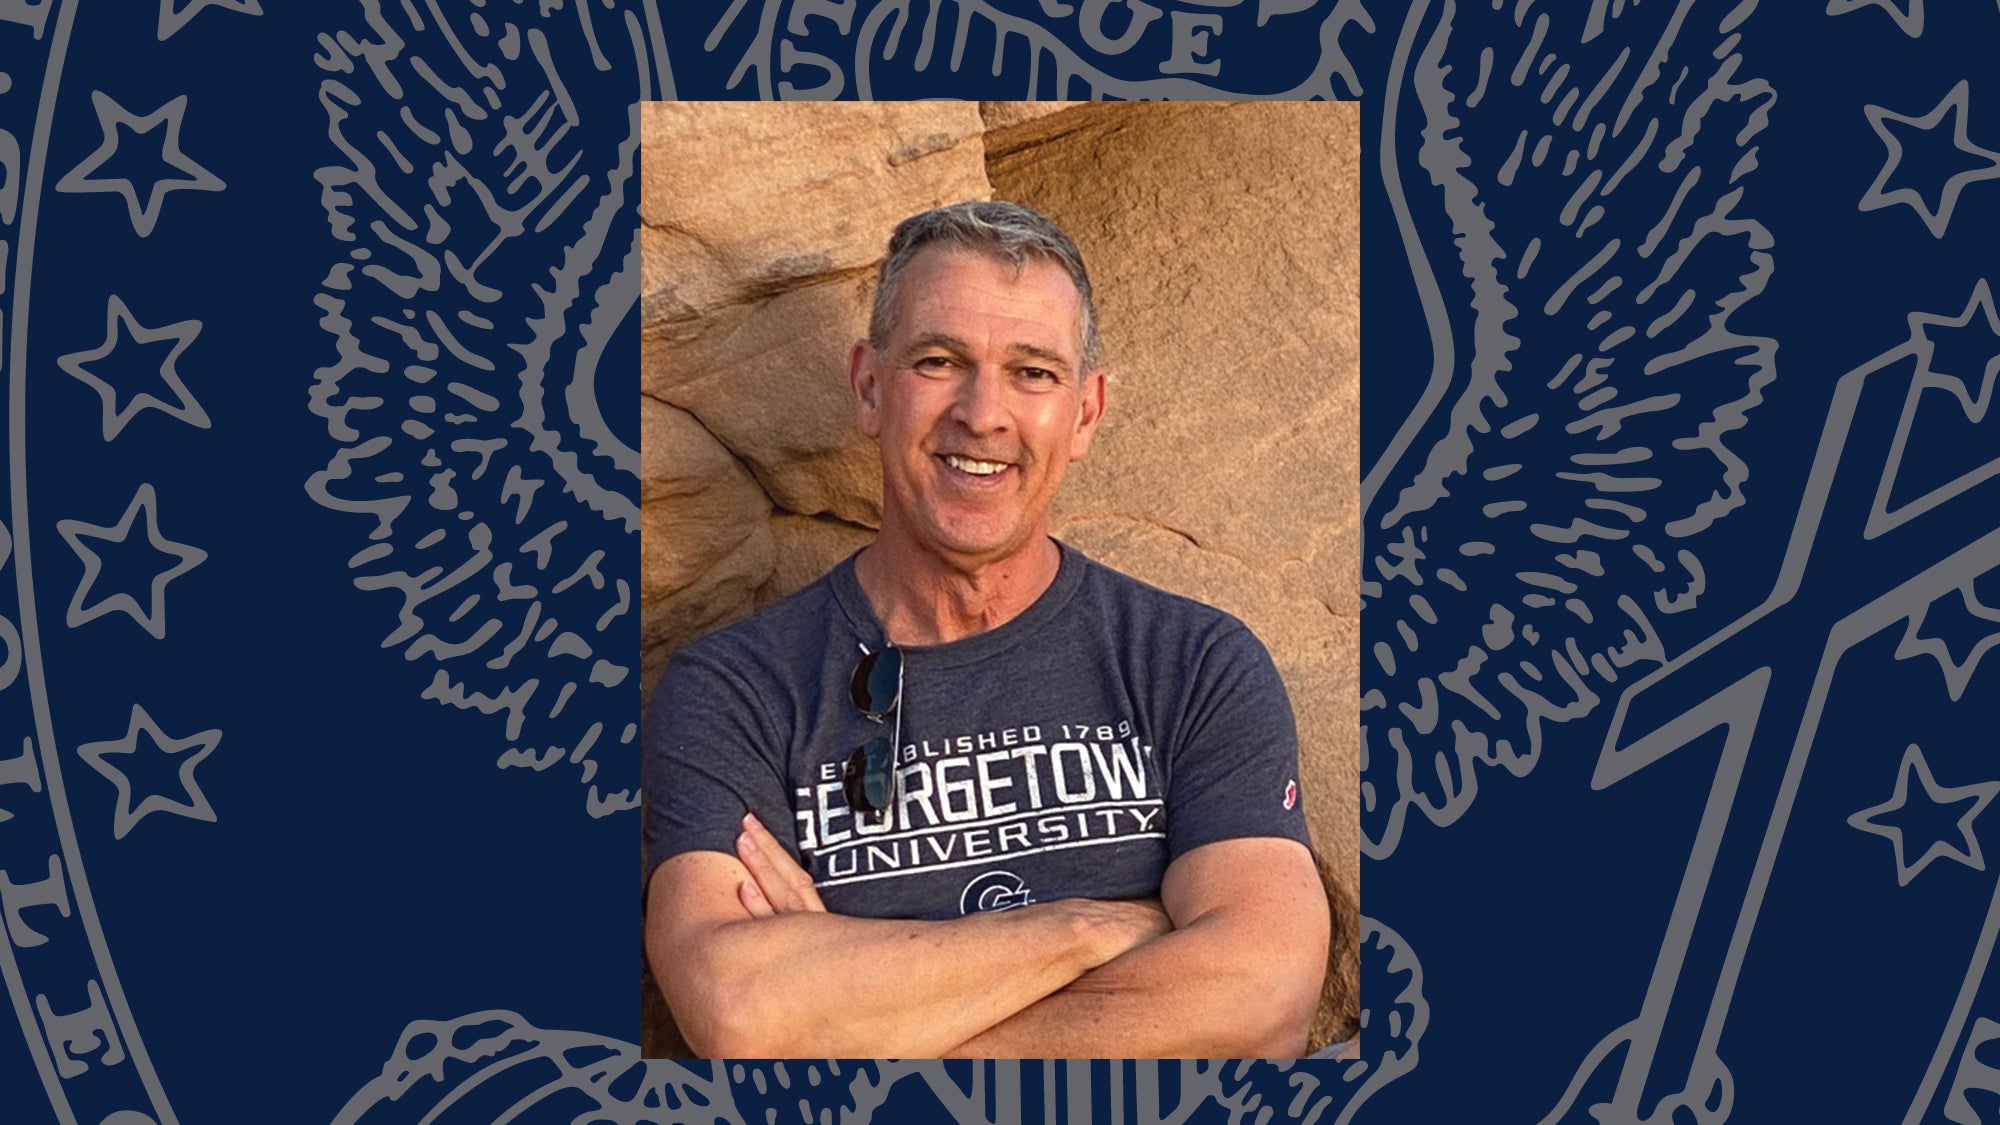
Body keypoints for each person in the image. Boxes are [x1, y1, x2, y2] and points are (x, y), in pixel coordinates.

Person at [642, 200, 1329, 1058]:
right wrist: (1086, 930)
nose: (984, 412)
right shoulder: (738, 690)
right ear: (868, 386)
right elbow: (739, 1012)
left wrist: (861, 1028)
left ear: (1085, 412)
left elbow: (1262, 994)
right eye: (939, 360)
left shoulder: (1191, 664)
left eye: (1034, 373)